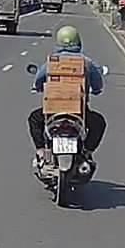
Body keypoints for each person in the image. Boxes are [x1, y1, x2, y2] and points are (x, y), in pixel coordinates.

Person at [29, 25, 106, 169]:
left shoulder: (52, 62)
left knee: (34, 119)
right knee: (99, 123)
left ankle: (41, 151)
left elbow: (38, 80)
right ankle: (86, 153)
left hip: (52, 111)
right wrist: (96, 90)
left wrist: (37, 87)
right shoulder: (86, 62)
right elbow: (97, 84)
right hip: (79, 112)